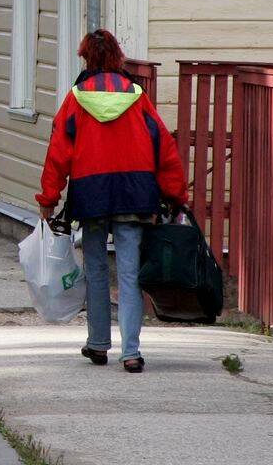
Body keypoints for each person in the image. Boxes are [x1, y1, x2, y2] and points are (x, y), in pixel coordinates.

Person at [36, 29, 188, 373]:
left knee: (97, 270)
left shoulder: (76, 98)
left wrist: (48, 197)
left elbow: (58, 153)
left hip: (91, 195)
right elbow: (164, 149)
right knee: (131, 275)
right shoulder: (137, 96)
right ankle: (131, 352)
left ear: (86, 58)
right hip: (135, 193)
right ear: (118, 57)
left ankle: (98, 343)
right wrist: (176, 194)